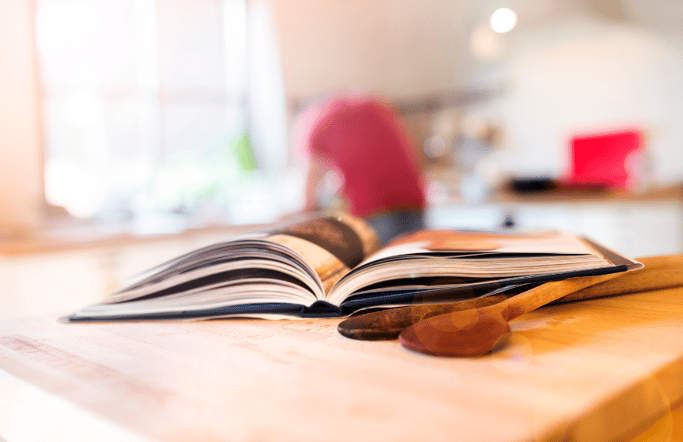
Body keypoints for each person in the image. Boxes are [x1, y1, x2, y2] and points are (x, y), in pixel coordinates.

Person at [292, 92, 427, 246]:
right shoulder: (371, 105)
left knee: (378, 267)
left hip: (375, 211)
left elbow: (310, 195)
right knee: (414, 260)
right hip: (415, 202)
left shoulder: (313, 124)